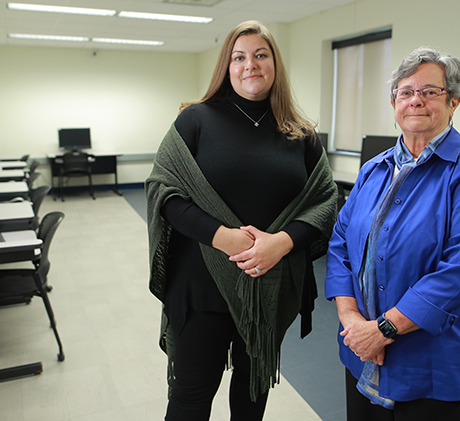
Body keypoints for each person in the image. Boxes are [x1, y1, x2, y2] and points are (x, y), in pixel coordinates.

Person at [146, 20, 338, 421]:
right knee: (190, 400)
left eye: (260, 55)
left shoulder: (300, 134)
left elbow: (324, 202)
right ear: (227, 66)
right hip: (201, 289)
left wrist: (280, 243)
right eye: (239, 57)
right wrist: (223, 238)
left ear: (275, 65)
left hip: (268, 289)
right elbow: (164, 192)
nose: (250, 64)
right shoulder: (195, 120)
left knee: (251, 401)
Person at [325, 46, 460, 421]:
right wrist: (351, 320)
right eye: (406, 92)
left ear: (454, 102)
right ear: (393, 101)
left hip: (439, 359)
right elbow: (340, 244)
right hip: (362, 346)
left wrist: (382, 330)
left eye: (430, 92)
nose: (416, 101)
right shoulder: (373, 170)